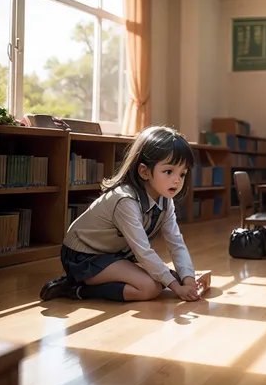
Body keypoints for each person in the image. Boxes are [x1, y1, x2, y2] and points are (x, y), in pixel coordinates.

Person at [39, 126, 207, 303]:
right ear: (144, 171)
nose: (177, 180)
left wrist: (188, 281)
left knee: (170, 278)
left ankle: (94, 281)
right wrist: (176, 287)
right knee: (150, 287)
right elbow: (143, 251)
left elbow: (176, 243)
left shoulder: (165, 200)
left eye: (183, 173)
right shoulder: (125, 200)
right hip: (83, 255)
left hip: (114, 254)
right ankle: (75, 287)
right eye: (168, 171)